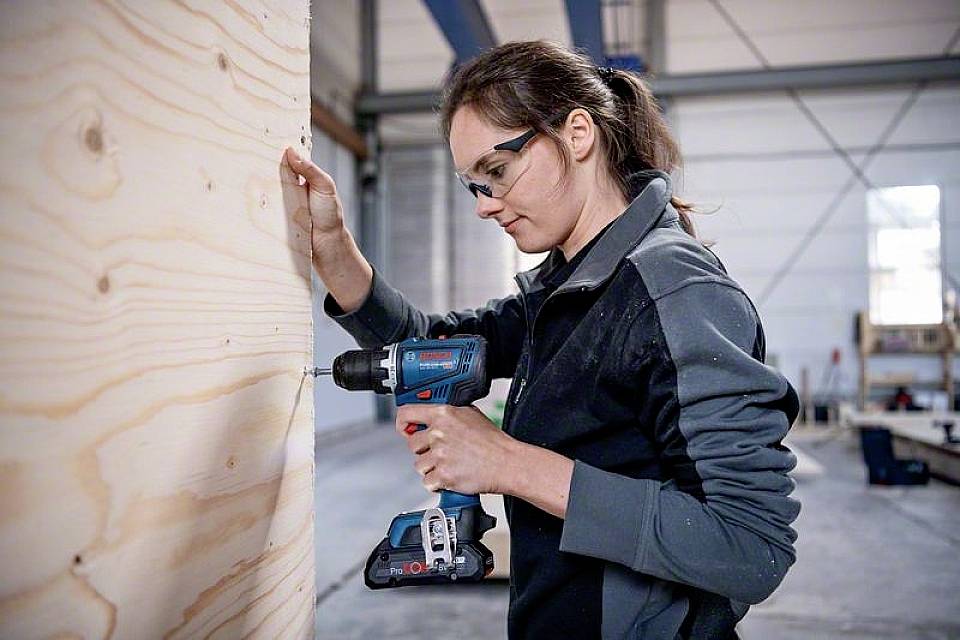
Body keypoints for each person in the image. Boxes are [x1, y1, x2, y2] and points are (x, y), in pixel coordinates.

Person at [287, 40, 800, 640]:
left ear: (577, 134)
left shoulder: (677, 294)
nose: (484, 206)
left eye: (496, 172)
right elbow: (428, 349)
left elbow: (749, 545)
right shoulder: (565, 291)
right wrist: (334, 248)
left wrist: (507, 463)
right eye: (473, 185)